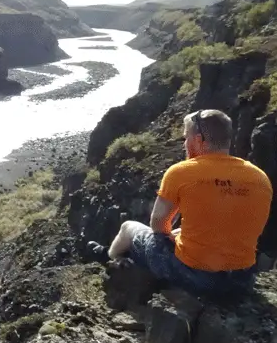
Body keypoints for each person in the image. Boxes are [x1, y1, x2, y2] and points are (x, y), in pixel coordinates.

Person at [86, 109, 274, 296]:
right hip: (241, 280)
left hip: (196, 277)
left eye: (186, 138)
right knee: (178, 234)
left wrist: (172, 236)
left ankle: (110, 258)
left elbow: (158, 227)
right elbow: (230, 225)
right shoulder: (259, 177)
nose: (184, 144)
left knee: (129, 228)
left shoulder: (181, 172)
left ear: (199, 140)